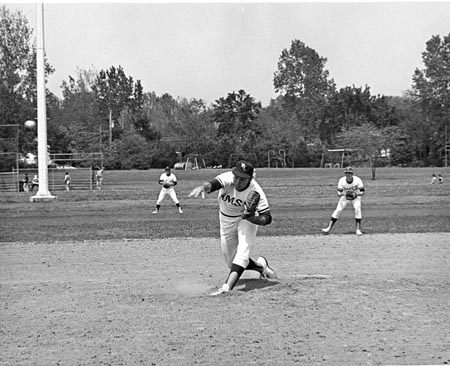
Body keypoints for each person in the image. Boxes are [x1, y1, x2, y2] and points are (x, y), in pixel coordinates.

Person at [189, 160, 277, 296]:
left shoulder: (256, 191)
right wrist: (203, 187)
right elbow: (212, 185)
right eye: (236, 177)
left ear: (250, 178)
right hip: (225, 220)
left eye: (243, 179)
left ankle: (227, 286)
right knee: (231, 262)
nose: (238, 181)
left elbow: (267, 218)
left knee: (243, 252)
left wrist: (251, 218)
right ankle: (261, 266)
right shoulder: (228, 178)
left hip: (245, 220)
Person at [322, 166, 365, 236]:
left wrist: (355, 194)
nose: (348, 174)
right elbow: (339, 193)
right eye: (346, 173)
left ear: (352, 174)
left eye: (349, 173)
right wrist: (346, 194)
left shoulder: (357, 180)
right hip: (345, 196)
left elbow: (362, 192)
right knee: (338, 210)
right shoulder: (342, 180)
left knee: (357, 209)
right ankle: (328, 228)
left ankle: (358, 230)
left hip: (356, 197)